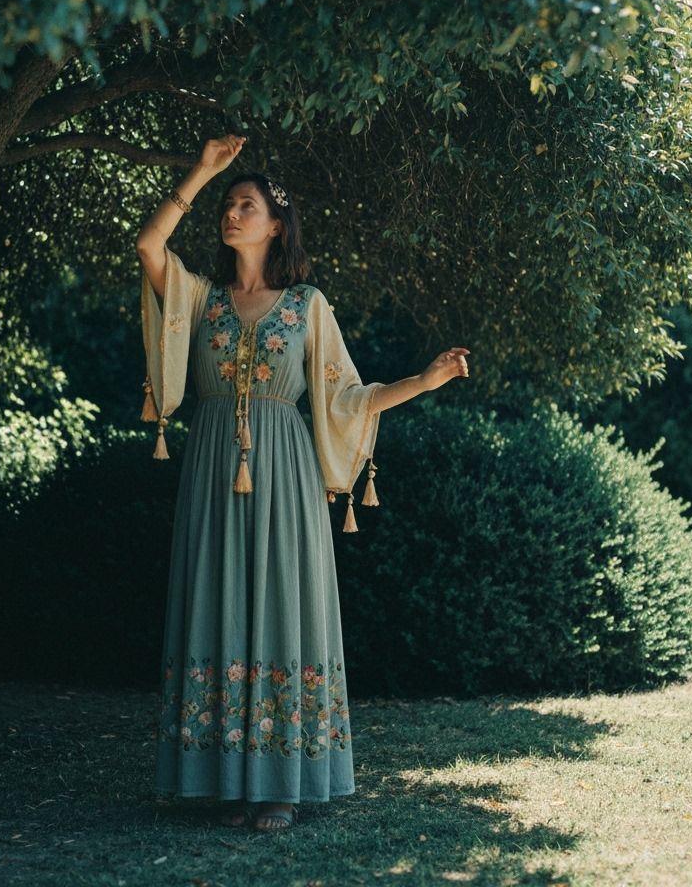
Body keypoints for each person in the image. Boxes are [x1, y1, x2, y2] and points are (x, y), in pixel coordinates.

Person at [136, 133, 469, 832]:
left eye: (247, 204)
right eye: (228, 205)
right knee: (219, 603)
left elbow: (346, 398)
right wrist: (201, 172)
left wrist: (423, 381)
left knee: (282, 607)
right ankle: (229, 779)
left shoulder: (307, 304)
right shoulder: (201, 300)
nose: (233, 213)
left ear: (277, 224)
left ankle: (281, 785)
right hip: (211, 471)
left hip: (285, 474)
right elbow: (148, 246)